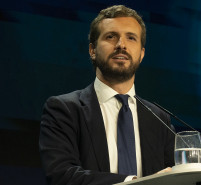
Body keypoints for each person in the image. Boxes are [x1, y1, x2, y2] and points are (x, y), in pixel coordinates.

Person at [39, 5, 175, 185]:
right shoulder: (63, 110)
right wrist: (134, 182)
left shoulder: (160, 119)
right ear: (92, 50)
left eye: (131, 38)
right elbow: (61, 175)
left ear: (141, 54)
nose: (121, 45)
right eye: (111, 37)